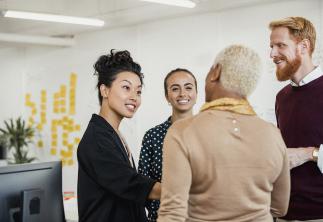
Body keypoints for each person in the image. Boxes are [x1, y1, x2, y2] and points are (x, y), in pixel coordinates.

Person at [158, 45, 290, 222]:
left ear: (215, 72)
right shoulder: (273, 134)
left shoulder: (182, 132)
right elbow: (280, 207)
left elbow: (172, 213)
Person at [77, 50, 161, 222]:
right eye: (126, 88)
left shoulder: (112, 133)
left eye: (138, 92)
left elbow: (129, 197)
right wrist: (187, 191)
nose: (134, 98)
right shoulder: (98, 139)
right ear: (104, 90)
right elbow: (131, 184)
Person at [269, 17, 323, 221]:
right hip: (284, 213)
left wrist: (310, 153)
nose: (273, 54)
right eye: (272, 46)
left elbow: (299, 154)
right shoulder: (282, 97)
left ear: (304, 46)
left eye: (280, 45)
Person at [138, 68, 198, 221]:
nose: (183, 94)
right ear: (167, 96)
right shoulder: (152, 136)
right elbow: (142, 186)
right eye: (175, 89)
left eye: (188, 87)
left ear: (196, 93)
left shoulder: (210, 133)